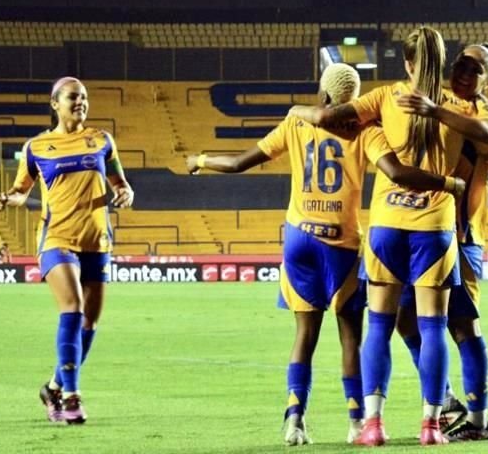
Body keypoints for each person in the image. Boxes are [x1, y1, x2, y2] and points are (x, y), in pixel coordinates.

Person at [186, 63, 464, 447]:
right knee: (351, 337)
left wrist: (199, 161)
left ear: (323, 95)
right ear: (355, 99)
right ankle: (357, 423)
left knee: (304, 335)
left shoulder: (297, 124)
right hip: (343, 245)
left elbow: (236, 164)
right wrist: (448, 182)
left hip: (300, 239)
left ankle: (295, 419)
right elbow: (396, 171)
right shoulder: (367, 130)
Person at [290, 25, 488, 446]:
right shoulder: (458, 106)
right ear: (441, 62)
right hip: (434, 227)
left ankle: (374, 425)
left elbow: (329, 118)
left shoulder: (384, 98)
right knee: (433, 327)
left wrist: (298, 112)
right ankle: (431, 427)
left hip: (385, 227)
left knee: (379, 326)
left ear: (408, 62)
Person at [0, 76, 134, 424]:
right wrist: (7, 199)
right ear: (55, 103)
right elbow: (21, 190)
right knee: (73, 307)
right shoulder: (36, 147)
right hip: (57, 238)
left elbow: (120, 183)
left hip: (97, 241)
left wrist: (126, 193)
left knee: (90, 323)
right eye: (73, 97)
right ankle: (71, 397)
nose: (81, 102)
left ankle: (54, 385)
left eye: (84, 97)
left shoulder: (102, 140)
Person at [392, 43, 488, 441]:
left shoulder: (480, 112)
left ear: (487, 80)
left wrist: (436, 112)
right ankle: (446, 399)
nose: (462, 72)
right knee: (403, 318)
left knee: (463, 327)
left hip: (460, 235)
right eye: (459, 64)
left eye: (473, 68)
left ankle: (478, 421)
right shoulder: (440, 102)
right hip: (421, 229)